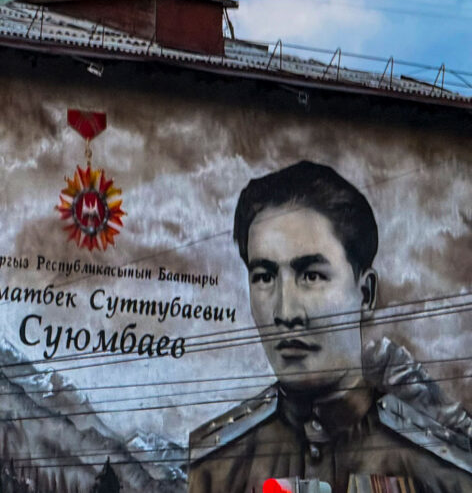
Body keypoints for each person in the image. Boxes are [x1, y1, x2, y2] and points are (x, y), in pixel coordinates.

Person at [187, 161, 472, 493]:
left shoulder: (440, 472)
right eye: (264, 277)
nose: (285, 311)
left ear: (365, 294)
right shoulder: (215, 468)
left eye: (311, 276)